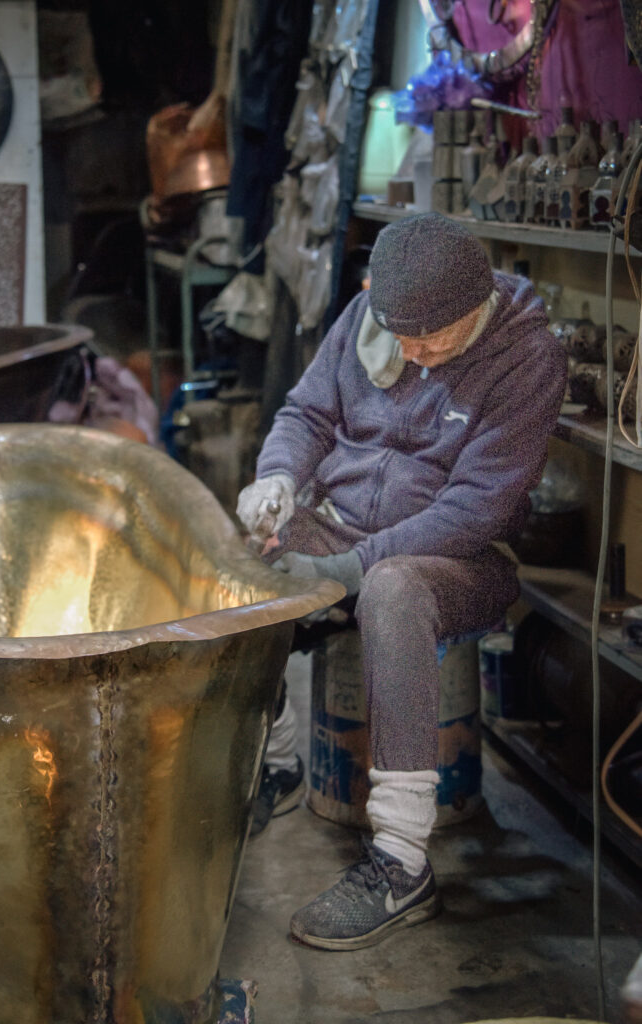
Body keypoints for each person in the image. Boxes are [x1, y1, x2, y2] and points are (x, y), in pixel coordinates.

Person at [236, 211, 567, 951]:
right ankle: (279, 762)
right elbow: (308, 413)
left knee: (391, 588)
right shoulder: (369, 317)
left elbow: (476, 509)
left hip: (460, 558)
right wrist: (279, 479)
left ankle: (401, 860)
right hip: (347, 522)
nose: (411, 356)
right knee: (244, 559)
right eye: (399, 334)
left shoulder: (529, 357)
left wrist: (349, 569)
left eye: (431, 339)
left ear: (476, 306)